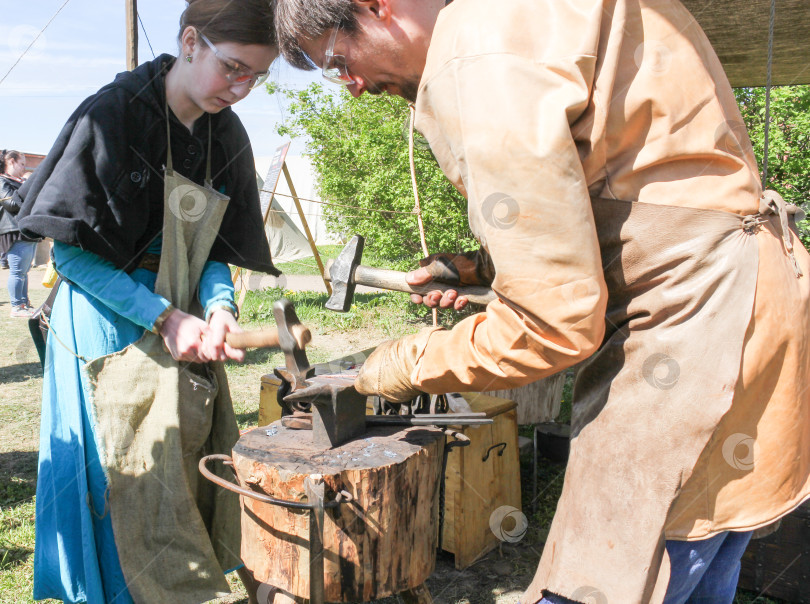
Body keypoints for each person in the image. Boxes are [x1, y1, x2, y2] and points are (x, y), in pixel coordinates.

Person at [273, 0, 810, 602]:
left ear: (377, 6)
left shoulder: (475, 47)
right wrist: (480, 268)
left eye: (339, 61)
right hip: (758, 302)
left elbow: (552, 325)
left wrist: (396, 366)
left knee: (600, 579)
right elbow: (646, 194)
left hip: (695, 335)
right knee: (704, 554)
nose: (353, 88)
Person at [15, 1, 277, 602]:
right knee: (118, 479)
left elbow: (214, 247)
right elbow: (73, 257)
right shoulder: (112, 117)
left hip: (184, 316)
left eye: (255, 78)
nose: (240, 89)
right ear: (190, 41)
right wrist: (160, 315)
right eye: (232, 68)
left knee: (179, 471)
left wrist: (219, 308)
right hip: (104, 324)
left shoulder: (225, 134)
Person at [0, 149, 38, 316]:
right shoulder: (2, 181)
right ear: (11, 162)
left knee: (23, 272)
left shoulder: (19, 181)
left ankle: (24, 304)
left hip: (26, 230)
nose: (25, 167)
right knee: (17, 272)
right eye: (22, 163)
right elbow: (12, 205)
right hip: (14, 230)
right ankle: (16, 306)